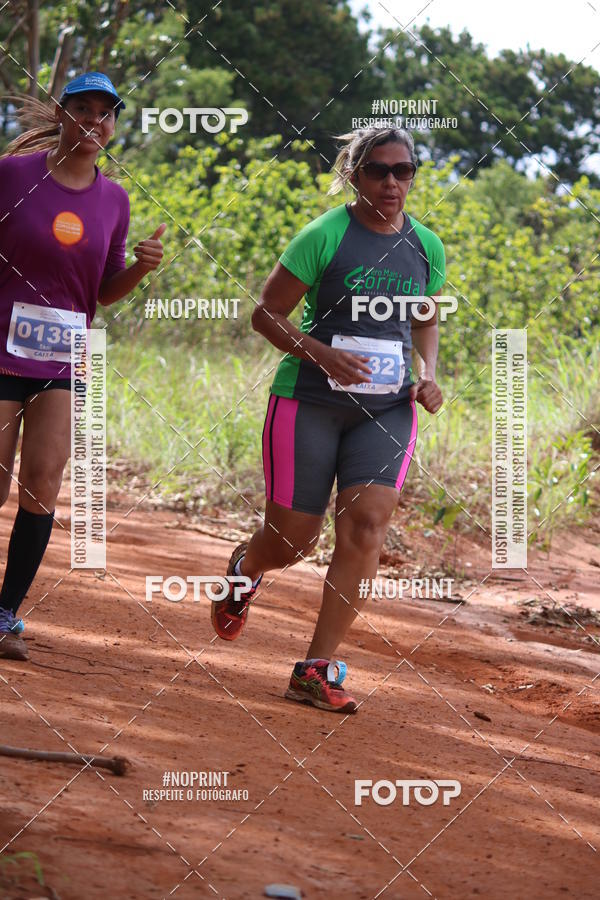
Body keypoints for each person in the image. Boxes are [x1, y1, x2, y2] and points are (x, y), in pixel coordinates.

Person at [211, 127, 446, 713]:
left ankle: (314, 670)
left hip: (386, 409)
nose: (391, 182)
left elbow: (425, 317)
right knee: (292, 540)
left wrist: (429, 373)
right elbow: (266, 315)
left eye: (403, 171)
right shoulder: (323, 235)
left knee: (367, 526)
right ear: (354, 174)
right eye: (378, 171)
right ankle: (245, 569)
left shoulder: (426, 246)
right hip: (309, 402)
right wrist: (321, 353)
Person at [0, 72, 166, 660]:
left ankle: (4, 614)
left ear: (113, 125)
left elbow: (102, 292)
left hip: (66, 357)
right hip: (1, 349)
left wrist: (141, 268)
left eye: (106, 112)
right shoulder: (12, 175)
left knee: (44, 481)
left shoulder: (114, 200)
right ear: (61, 113)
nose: (94, 120)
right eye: (83, 108)